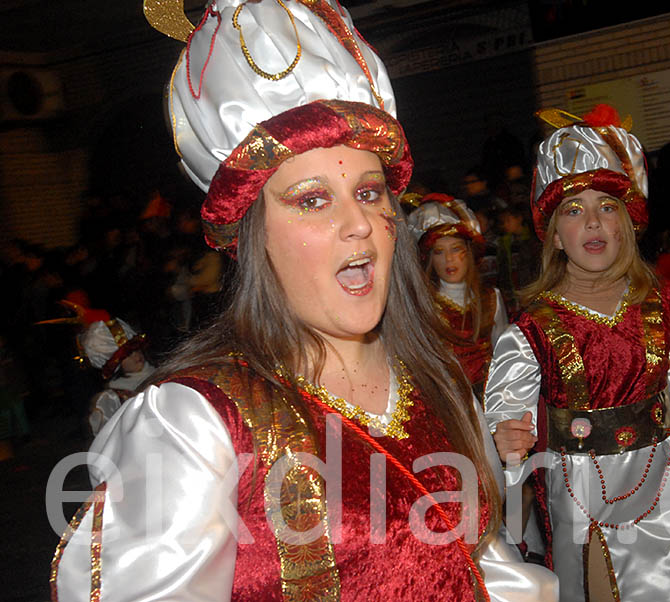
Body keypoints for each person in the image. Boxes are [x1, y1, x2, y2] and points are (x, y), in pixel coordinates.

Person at [50, 1, 558, 600]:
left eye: (370, 192)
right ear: (255, 237)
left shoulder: (436, 381)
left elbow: (482, 567)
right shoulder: (197, 424)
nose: (361, 224)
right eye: (312, 200)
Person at [485, 104, 670, 601]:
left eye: (607, 207)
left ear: (627, 222)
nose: (593, 223)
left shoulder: (667, 306)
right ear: (555, 237)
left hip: (669, 499)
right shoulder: (530, 331)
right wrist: (504, 440)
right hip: (583, 510)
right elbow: (506, 432)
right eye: (574, 209)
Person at [408, 194, 508, 398]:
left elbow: (505, 357)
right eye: (439, 252)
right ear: (430, 260)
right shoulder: (423, 306)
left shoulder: (490, 298)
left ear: (469, 253)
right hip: (450, 403)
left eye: (456, 249)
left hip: (493, 400)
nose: (449, 259)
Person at [78, 317, 155, 436]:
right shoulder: (112, 398)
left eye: (137, 350)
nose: (136, 355)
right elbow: (107, 437)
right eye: (128, 354)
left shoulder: (158, 374)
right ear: (115, 364)